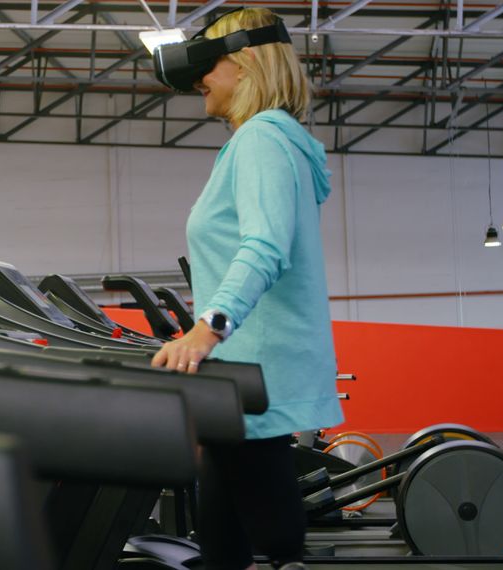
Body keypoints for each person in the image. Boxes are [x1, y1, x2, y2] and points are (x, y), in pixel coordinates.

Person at [148, 7, 344, 570]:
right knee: (223, 541)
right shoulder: (269, 143)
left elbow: (263, 247)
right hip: (244, 372)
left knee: (277, 541)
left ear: (246, 62)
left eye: (209, 66)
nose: (198, 81)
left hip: (248, 372)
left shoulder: (261, 139)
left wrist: (206, 329)